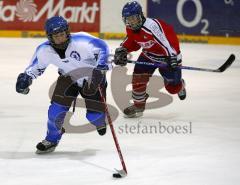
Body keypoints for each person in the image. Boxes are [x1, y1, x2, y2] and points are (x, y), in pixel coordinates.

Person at [16, 16, 110, 154]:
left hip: (92, 78)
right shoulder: (44, 50)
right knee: (55, 112)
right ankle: (52, 139)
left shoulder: (82, 41)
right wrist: (26, 78)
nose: (60, 38)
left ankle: (100, 120)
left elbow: (103, 47)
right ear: (49, 37)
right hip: (68, 78)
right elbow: (35, 68)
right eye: (56, 36)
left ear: (67, 32)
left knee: (94, 117)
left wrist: (102, 65)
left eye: (62, 34)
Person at [114, 1, 186, 118]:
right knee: (138, 78)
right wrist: (122, 49)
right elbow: (132, 41)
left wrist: (172, 58)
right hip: (148, 55)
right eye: (128, 20)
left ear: (141, 16)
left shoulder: (151, 26)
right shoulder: (131, 28)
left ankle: (180, 85)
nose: (131, 22)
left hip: (167, 57)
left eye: (133, 19)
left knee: (173, 89)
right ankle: (138, 106)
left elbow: (166, 43)